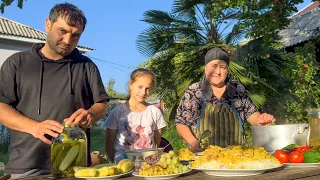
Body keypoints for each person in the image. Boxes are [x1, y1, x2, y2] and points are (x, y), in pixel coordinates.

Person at [0, 3, 109, 178]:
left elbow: (101, 105)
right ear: (48, 24)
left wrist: (91, 114)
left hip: (77, 168)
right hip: (27, 167)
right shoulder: (17, 63)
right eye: (62, 31)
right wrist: (34, 127)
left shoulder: (86, 66)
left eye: (75, 35)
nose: (67, 40)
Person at [175, 47, 275, 153]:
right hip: (204, 158)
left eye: (222, 67)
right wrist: (193, 142)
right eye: (214, 66)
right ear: (205, 68)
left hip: (239, 157)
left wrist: (260, 119)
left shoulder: (237, 88)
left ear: (227, 70)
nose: (218, 72)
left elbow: (251, 114)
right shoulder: (195, 91)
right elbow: (181, 123)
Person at [104, 68, 167, 164]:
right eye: (140, 87)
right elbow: (109, 144)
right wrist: (117, 163)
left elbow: (157, 142)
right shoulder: (117, 112)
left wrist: (152, 158)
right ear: (130, 85)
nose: (143, 92)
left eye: (147, 89)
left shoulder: (155, 112)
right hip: (124, 160)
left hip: (148, 161)